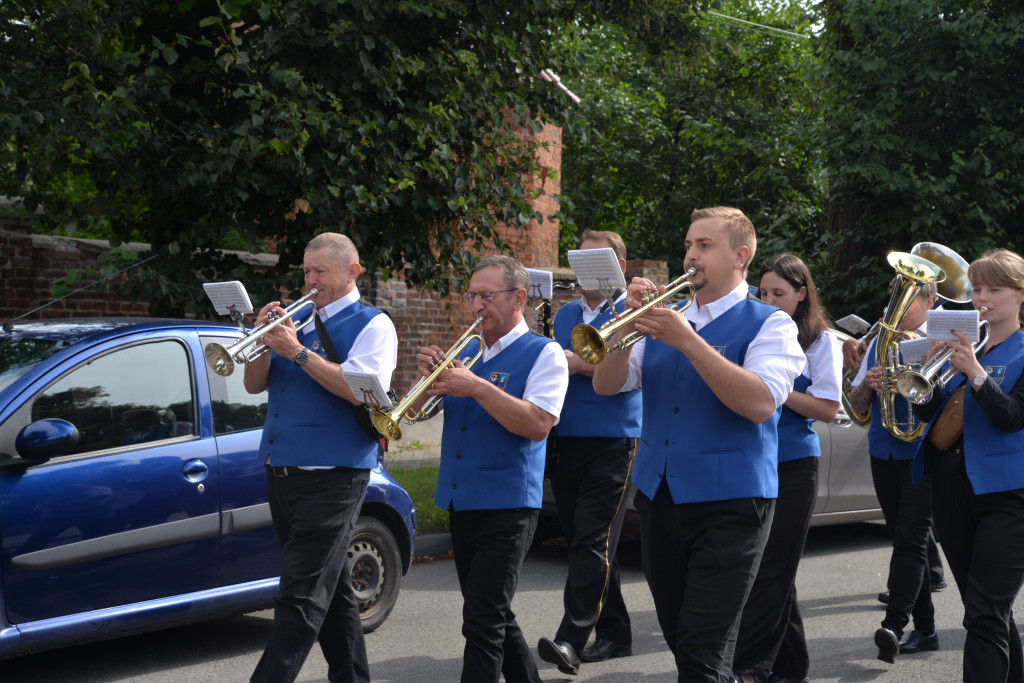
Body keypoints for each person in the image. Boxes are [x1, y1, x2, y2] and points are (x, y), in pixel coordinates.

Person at [592, 206, 805, 682]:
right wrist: (624, 330)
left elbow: (758, 403)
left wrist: (688, 340)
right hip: (660, 495)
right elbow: (608, 385)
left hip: (733, 501)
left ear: (740, 256)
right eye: (689, 244)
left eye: (704, 246)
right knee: (683, 640)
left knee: (701, 652)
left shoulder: (772, 324)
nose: (691, 255)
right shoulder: (667, 318)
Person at [244, 232, 398, 683]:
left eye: (320, 273)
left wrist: (295, 351)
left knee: (300, 596)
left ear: (353, 272)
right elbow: (255, 384)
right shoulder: (297, 322)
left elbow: (361, 388)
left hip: (335, 475)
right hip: (282, 469)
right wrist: (259, 340)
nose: (310, 281)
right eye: (306, 272)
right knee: (331, 591)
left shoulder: (374, 324)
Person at [413, 254, 569, 682]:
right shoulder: (468, 351)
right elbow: (422, 413)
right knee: (493, 614)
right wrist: (429, 383)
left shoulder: (546, 353)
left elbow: (538, 424)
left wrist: (476, 386)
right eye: (472, 296)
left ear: (519, 297)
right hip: (461, 498)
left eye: (487, 296)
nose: (477, 306)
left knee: (481, 622)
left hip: (508, 504)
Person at [911, 248, 1024, 682]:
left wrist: (977, 373)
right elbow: (932, 417)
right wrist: (923, 377)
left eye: (995, 289)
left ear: (1018, 295)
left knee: (983, 611)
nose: (984, 298)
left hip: (1007, 497)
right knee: (988, 612)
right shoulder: (963, 343)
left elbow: (1012, 416)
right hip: (951, 491)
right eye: (977, 289)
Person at [733, 254, 842, 683]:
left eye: (780, 293)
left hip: (796, 464)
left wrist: (773, 386)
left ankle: (751, 669)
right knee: (776, 574)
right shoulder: (755, 331)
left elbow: (829, 408)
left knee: (773, 569)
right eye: (763, 293)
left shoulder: (821, 341)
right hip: (755, 461)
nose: (770, 300)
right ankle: (792, 670)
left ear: (802, 294)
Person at [536, 230, 641, 674]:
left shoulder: (632, 311)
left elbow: (633, 373)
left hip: (614, 439)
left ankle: (570, 638)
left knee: (592, 540)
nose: (585, 266)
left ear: (619, 264)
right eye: (581, 257)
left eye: (597, 258)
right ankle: (615, 631)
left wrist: (577, 362)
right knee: (591, 541)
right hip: (569, 438)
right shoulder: (563, 316)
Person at [847, 278, 939, 663]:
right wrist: (867, 384)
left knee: (910, 543)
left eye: (911, 299)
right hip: (883, 453)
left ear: (931, 301)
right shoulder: (880, 344)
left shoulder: (940, 342)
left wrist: (912, 386)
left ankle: (894, 626)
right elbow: (856, 407)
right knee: (903, 542)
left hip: (923, 453)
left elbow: (942, 401)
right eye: (895, 299)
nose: (898, 308)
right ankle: (928, 630)